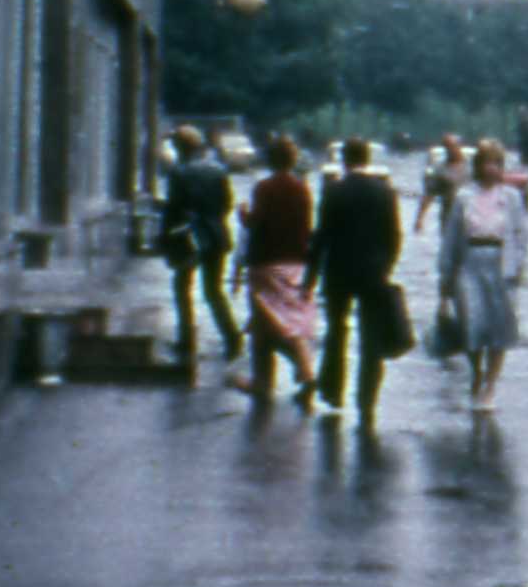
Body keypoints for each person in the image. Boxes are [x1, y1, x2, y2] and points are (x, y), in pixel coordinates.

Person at [303, 138, 407, 424]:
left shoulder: (334, 191)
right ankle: (366, 401)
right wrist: (386, 266)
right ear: (368, 158)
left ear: (344, 160)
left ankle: (333, 390)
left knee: (337, 331)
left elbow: (321, 237)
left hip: (338, 272)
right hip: (373, 272)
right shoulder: (385, 192)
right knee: (371, 338)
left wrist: (309, 279)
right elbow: (394, 235)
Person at [438, 135, 528, 410]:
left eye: (496, 163)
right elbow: (451, 238)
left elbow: (521, 235)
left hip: (501, 265)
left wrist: (518, 266)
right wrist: (446, 277)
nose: (492, 168)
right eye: (487, 162)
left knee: (499, 329)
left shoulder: (512, 197)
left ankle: (490, 385)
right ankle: (476, 371)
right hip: (470, 264)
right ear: (477, 166)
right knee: (473, 325)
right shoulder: (464, 197)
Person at [231, 134, 319, 403]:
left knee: (265, 321)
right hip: (295, 262)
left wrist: (243, 217)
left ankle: (270, 379)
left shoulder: (265, 188)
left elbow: (258, 224)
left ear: (270, 160)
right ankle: (299, 371)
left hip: (266, 261)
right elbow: (307, 227)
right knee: (282, 319)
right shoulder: (302, 189)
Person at [158, 126, 243, 365]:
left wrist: (165, 237)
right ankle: (232, 337)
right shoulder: (218, 169)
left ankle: (186, 340)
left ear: (180, 148)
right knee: (214, 290)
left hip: (189, 237)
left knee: (182, 287)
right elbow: (228, 204)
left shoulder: (178, 172)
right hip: (216, 236)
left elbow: (174, 209)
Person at [414, 131, 470, 234]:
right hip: (448, 218)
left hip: (470, 218)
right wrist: (420, 218)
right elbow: (429, 195)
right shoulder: (440, 170)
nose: (451, 150)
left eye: (453, 146)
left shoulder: (472, 167)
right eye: (447, 147)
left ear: (460, 146)